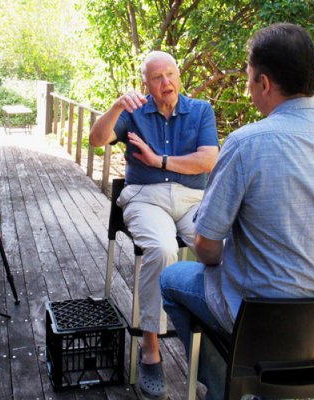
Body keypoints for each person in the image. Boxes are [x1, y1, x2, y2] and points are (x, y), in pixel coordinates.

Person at [160, 23, 314, 400]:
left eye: (250, 80)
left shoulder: (245, 143)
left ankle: (223, 389)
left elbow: (205, 247)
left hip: (260, 325)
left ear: (265, 83)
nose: (248, 89)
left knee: (171, 281)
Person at [90, 50, 219, 399]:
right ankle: (150, 347)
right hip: (145, 198)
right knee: (162, 249)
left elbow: (208, 160)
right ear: (146, 83)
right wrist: (116, 106)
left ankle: (219, 337)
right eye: (158, 77)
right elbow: (96, 139)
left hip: (193, 202)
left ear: (179, 76)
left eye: (171, 74)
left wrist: (159, 160)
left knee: (223, 249)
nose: (167, 83)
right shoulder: (132, 112)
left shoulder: (200, 110)